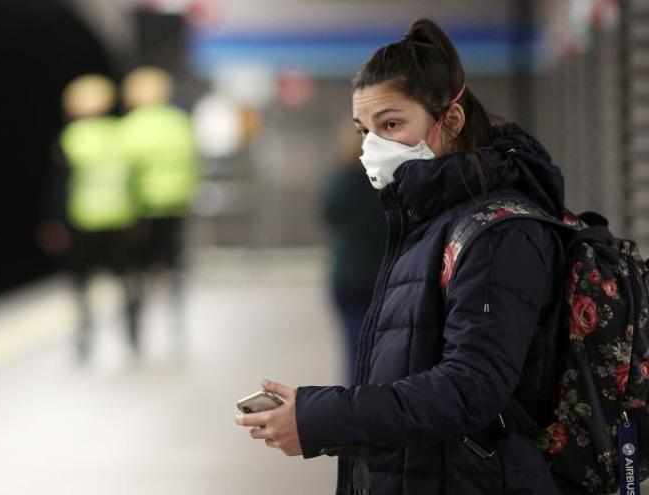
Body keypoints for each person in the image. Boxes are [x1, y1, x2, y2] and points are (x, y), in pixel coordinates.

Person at [236, 19, 570, 494]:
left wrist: (322, 418)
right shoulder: (429, 222)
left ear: (449, 121)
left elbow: (469, 390)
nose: (373, 146)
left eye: (391, 124)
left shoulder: (499, 233)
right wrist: (321, 417)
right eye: (364, 129)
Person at [38, 74, 143, 362]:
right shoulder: (121, 134)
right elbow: (134, 179)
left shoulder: (71, 138)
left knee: (82, 284)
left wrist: (54, 222)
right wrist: (137, 213)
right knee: (126, 279)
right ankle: (133, 336)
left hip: (82, 221)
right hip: (120, 217)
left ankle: (84, 339)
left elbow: (60, 186)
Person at [119, 66, 201, 350]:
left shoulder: (130, 126)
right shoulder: (180, 123)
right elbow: (193, 163)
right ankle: (176, 328)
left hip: (141, 211)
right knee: (173, 270)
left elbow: (125, 174)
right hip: (176, 207)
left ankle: (135, 334)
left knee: (135, 275)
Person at [321, 123, 386, 384]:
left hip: (347, 275)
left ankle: (356, 393)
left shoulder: (341, 180)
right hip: (380, 274)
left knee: (353, 342)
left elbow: (327, 213)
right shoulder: (386, 180)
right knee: (381, 344)